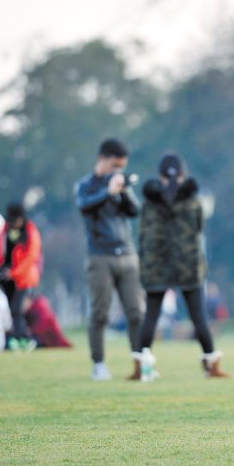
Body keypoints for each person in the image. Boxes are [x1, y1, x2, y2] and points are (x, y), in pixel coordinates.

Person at [134, 152, 229, 379]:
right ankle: (211, 365)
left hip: (156, 266)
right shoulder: (193, 200)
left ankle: (140, 367)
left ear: (160, 175)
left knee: (151, 317)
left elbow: (143, 233)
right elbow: (198, 228)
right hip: (188, 265)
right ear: (184, 173)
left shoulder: (149, 202)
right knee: (199, 318)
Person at [75, 138, 144, 380]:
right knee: (100, 313)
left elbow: (135, 211)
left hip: (127, 254)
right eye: (115, 165)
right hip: (100, 256)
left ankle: (140, 363)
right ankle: (99, 364)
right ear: (103, 159)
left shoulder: (120, 184)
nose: (119, 171)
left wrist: (123, 191)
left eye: (122, 166)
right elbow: (85, 206)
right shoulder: (86, 185)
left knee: (136, 313)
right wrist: (108, 192)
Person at [0, 202, 42, 350]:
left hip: (24, 279)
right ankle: (18, 338)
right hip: (7, 280)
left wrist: (13, 273)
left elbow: (30, 258)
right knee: (11, 310)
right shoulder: (4, 232)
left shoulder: (31, 232)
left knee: (17, 308)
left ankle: (25, 338)